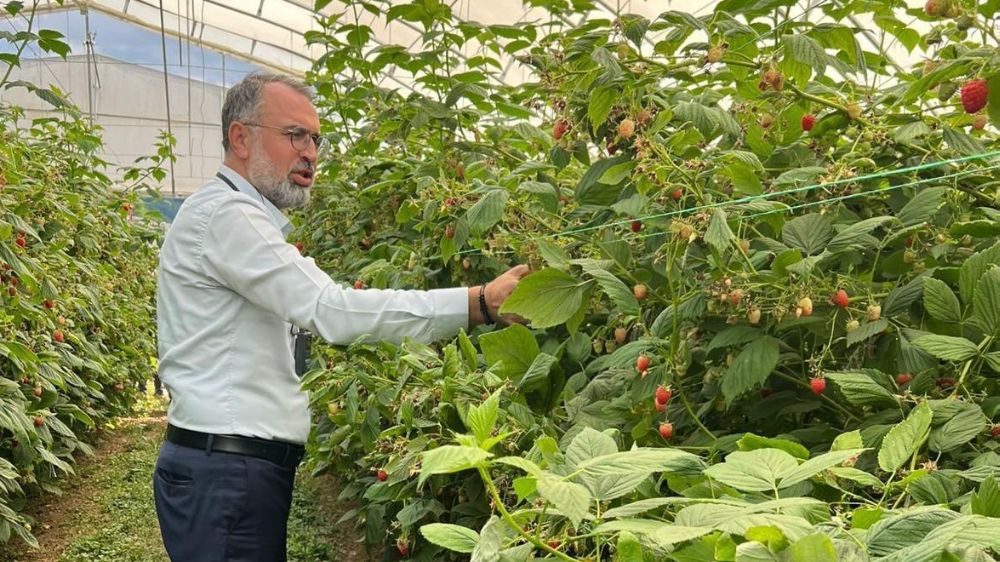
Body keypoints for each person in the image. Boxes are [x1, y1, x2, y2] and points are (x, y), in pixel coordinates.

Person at [153, 72, 529, 562]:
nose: (310, 151)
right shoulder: (227, 217)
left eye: (315, 138)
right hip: (227, 472)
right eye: (294, 135)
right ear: (240, 137)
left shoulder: (233, 217)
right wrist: (477, 302)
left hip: (229, 470)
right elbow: (332, 310)